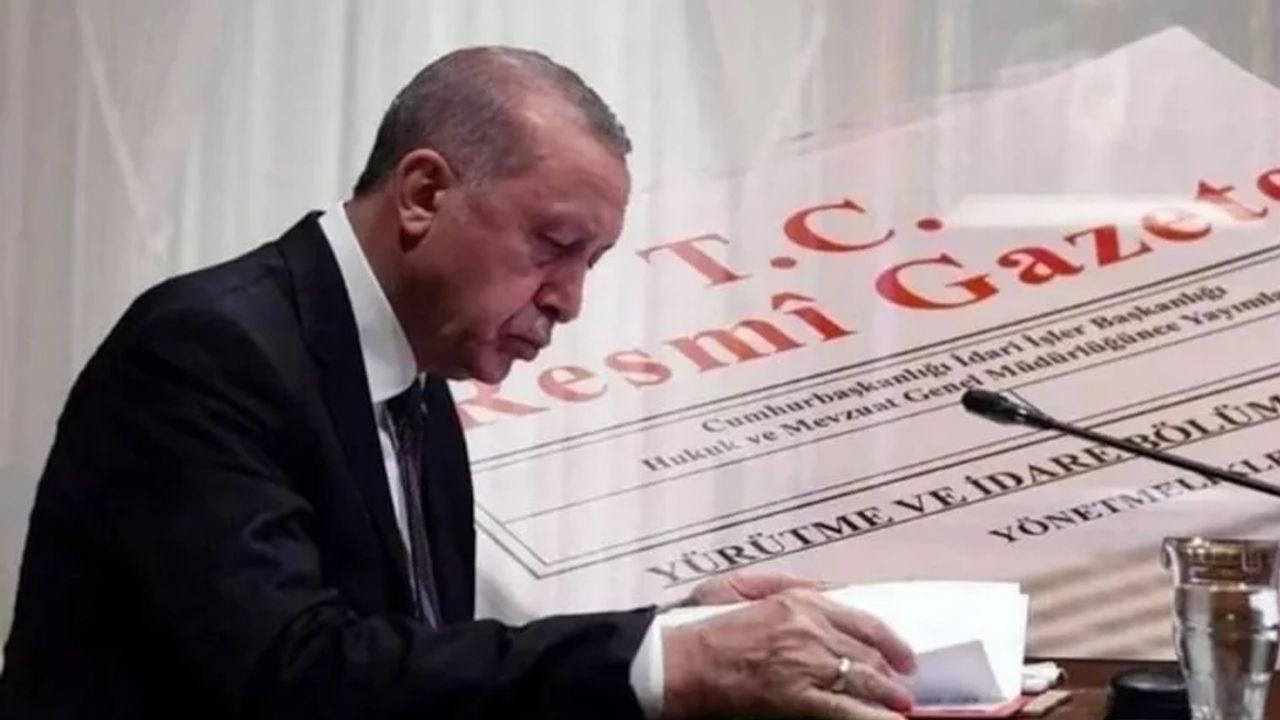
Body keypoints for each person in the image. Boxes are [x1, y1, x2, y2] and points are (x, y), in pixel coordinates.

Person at [0, 46, 917, 720]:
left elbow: (420, 673)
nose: (569, 301)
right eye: (555, 246)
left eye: (591, 262)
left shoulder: (418, 383)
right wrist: (668, 663)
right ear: (424, 195)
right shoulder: (205, 352)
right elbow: (293, 678)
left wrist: (678, 633)